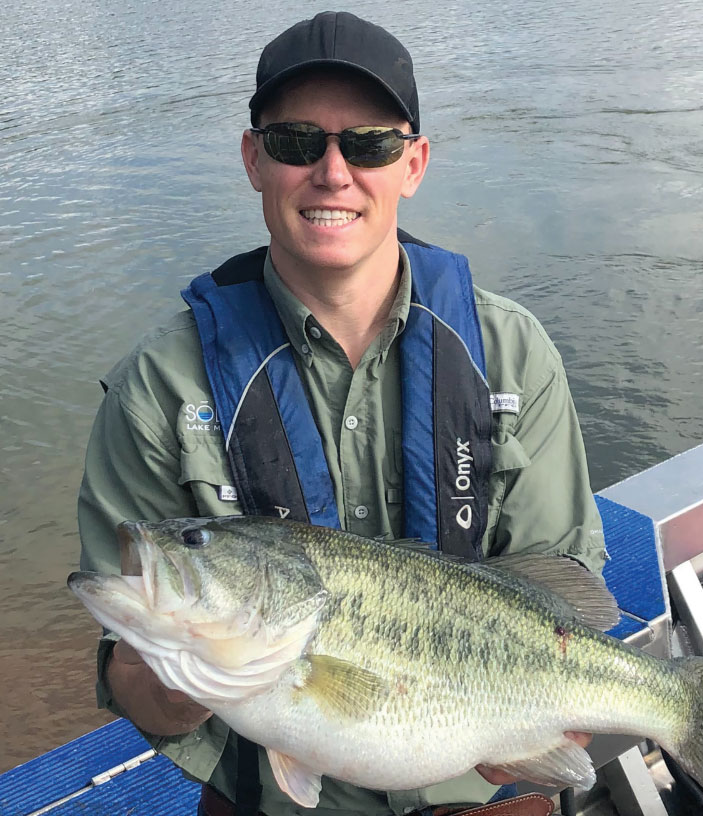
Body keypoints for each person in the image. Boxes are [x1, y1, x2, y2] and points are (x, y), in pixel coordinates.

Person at [77, 11, 608, 816]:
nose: (333, 172)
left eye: (368, 144)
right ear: (255, 160)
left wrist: (545, 727)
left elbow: (566, 594)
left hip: (487, 803)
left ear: (414, 164)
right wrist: (176, 670)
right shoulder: (160, 386)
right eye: (297, 142)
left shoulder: (513, 353)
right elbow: (137, 686)